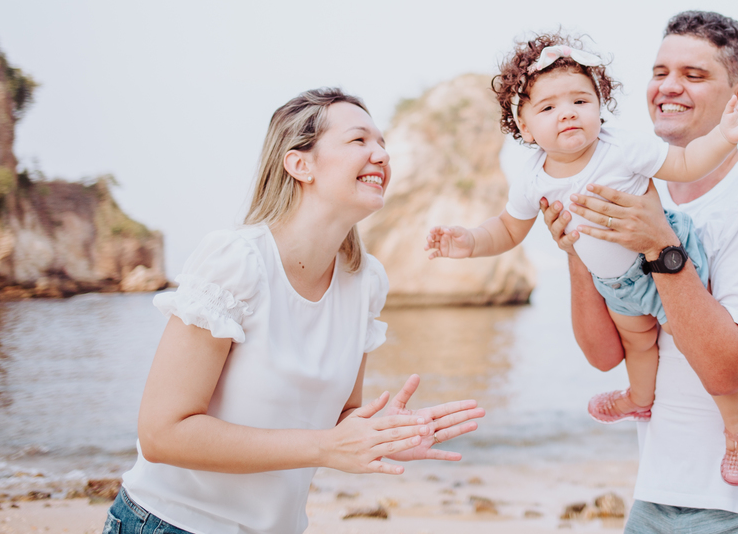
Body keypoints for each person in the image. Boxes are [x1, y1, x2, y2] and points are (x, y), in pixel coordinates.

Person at [109, 88, 486, 534]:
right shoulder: (237, 262)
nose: (381, 154)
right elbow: (162, 434)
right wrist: (325, 448)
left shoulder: (365, 281)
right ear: (299, 164)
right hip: (170, 523)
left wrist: (384, 435)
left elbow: (341, 417)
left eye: (382, 143)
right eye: (359, 140)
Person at [425, 31, 738, 485]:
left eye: (579, 101)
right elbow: (509, 229)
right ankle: (639, 397)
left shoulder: (622, 147)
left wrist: (726, 135)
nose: (566, 112)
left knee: (692, 346)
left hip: (665, 263)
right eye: (547, 108)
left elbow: (686, 165)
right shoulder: (532, 178)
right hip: (615, 284)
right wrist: (468, 241)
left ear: (600, 105)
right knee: (637, 345)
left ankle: (736, 430)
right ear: (525, 128)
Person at [541, 12, 738, 533]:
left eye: (694, 76)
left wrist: (661, 243)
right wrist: (576, 252)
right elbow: (604, 353)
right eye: (659, 71)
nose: (668, 87)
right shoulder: (628, 188)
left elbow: (727, 369)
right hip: (657, 498)